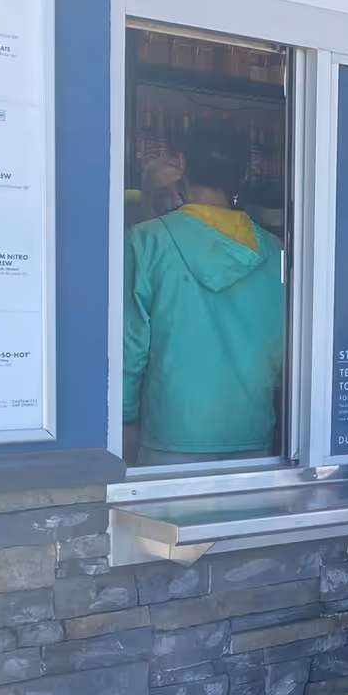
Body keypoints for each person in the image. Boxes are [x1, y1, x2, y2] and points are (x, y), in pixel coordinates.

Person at [123, 120, 285, 467]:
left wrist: (123, 422)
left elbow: (127, 347)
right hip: (252, 438)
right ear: (244, 174)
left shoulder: (146, 242)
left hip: (170, 438)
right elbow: (283, 355)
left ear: (182, 162)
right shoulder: (275, 253)